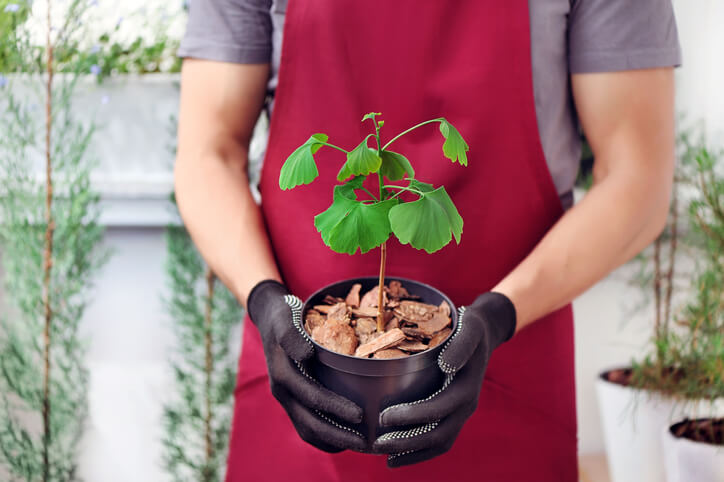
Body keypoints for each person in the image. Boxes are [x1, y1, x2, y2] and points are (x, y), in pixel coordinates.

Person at [174, 0, 681, 480]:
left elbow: (637, 179)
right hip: (299, 376)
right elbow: (209, 155)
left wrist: (500, 315)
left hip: (510, 378)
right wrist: (264, 301)